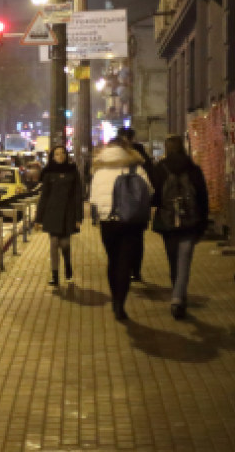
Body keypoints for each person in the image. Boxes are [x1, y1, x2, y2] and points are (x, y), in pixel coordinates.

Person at [89, 139, 153, 321]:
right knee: (125, 262)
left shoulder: (99, 170)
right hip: (131, 221)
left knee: (113, 260)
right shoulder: (136, 168)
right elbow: (148, 191)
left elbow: (93, 198)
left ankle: (115, 297)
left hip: (108, 221)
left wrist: (102, 213)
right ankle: (120, 304)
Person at [150, 134, 209, 319]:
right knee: (184, 261)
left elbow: (155, 197)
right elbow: (202, 197)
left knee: (173, 259)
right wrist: (203, 221)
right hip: (190, 221)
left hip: (168, 221)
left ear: (167, 149)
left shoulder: (160, 168)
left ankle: (177, 294)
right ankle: (178, 298)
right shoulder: (193, 169)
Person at [35, 145, 83, 286]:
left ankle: (68, 265)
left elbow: (78, 195)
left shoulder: (73, 171)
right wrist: (38, 218)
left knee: (65, 243)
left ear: (66, 155)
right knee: (54, 243)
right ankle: (55, 275)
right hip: (52, 212)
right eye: (57, 154)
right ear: (53, 156)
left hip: (69, 213)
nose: (60, 156)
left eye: (62, 153)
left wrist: (79, 217)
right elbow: (44, 196)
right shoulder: (48, 172)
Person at [117, 127, 154, 282]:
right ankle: (134, 270)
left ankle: (131, 269)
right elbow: (151, 178)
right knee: (136, 238)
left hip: (123, 205)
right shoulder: (141, 155)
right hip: (138, 205)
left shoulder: (116, 154)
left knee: (128, 238)